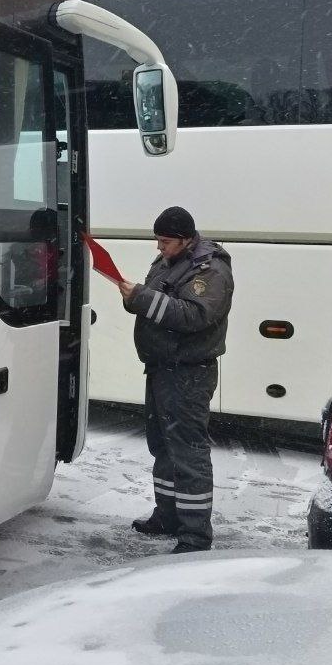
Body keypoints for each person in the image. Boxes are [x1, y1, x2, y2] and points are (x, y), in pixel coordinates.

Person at [118, 206, 233, 553]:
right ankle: (167, 515)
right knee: (163, 447)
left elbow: (194, 315)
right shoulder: (167, 262)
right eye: (158, 241)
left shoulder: (210, 270)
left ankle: (195, 535)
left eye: (165, 242)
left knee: (187, 451)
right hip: (161, 368)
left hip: (188, 374)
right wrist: (133, 297)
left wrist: (141, 297)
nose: (158, 248)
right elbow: (152, 302)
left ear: (185, 240)